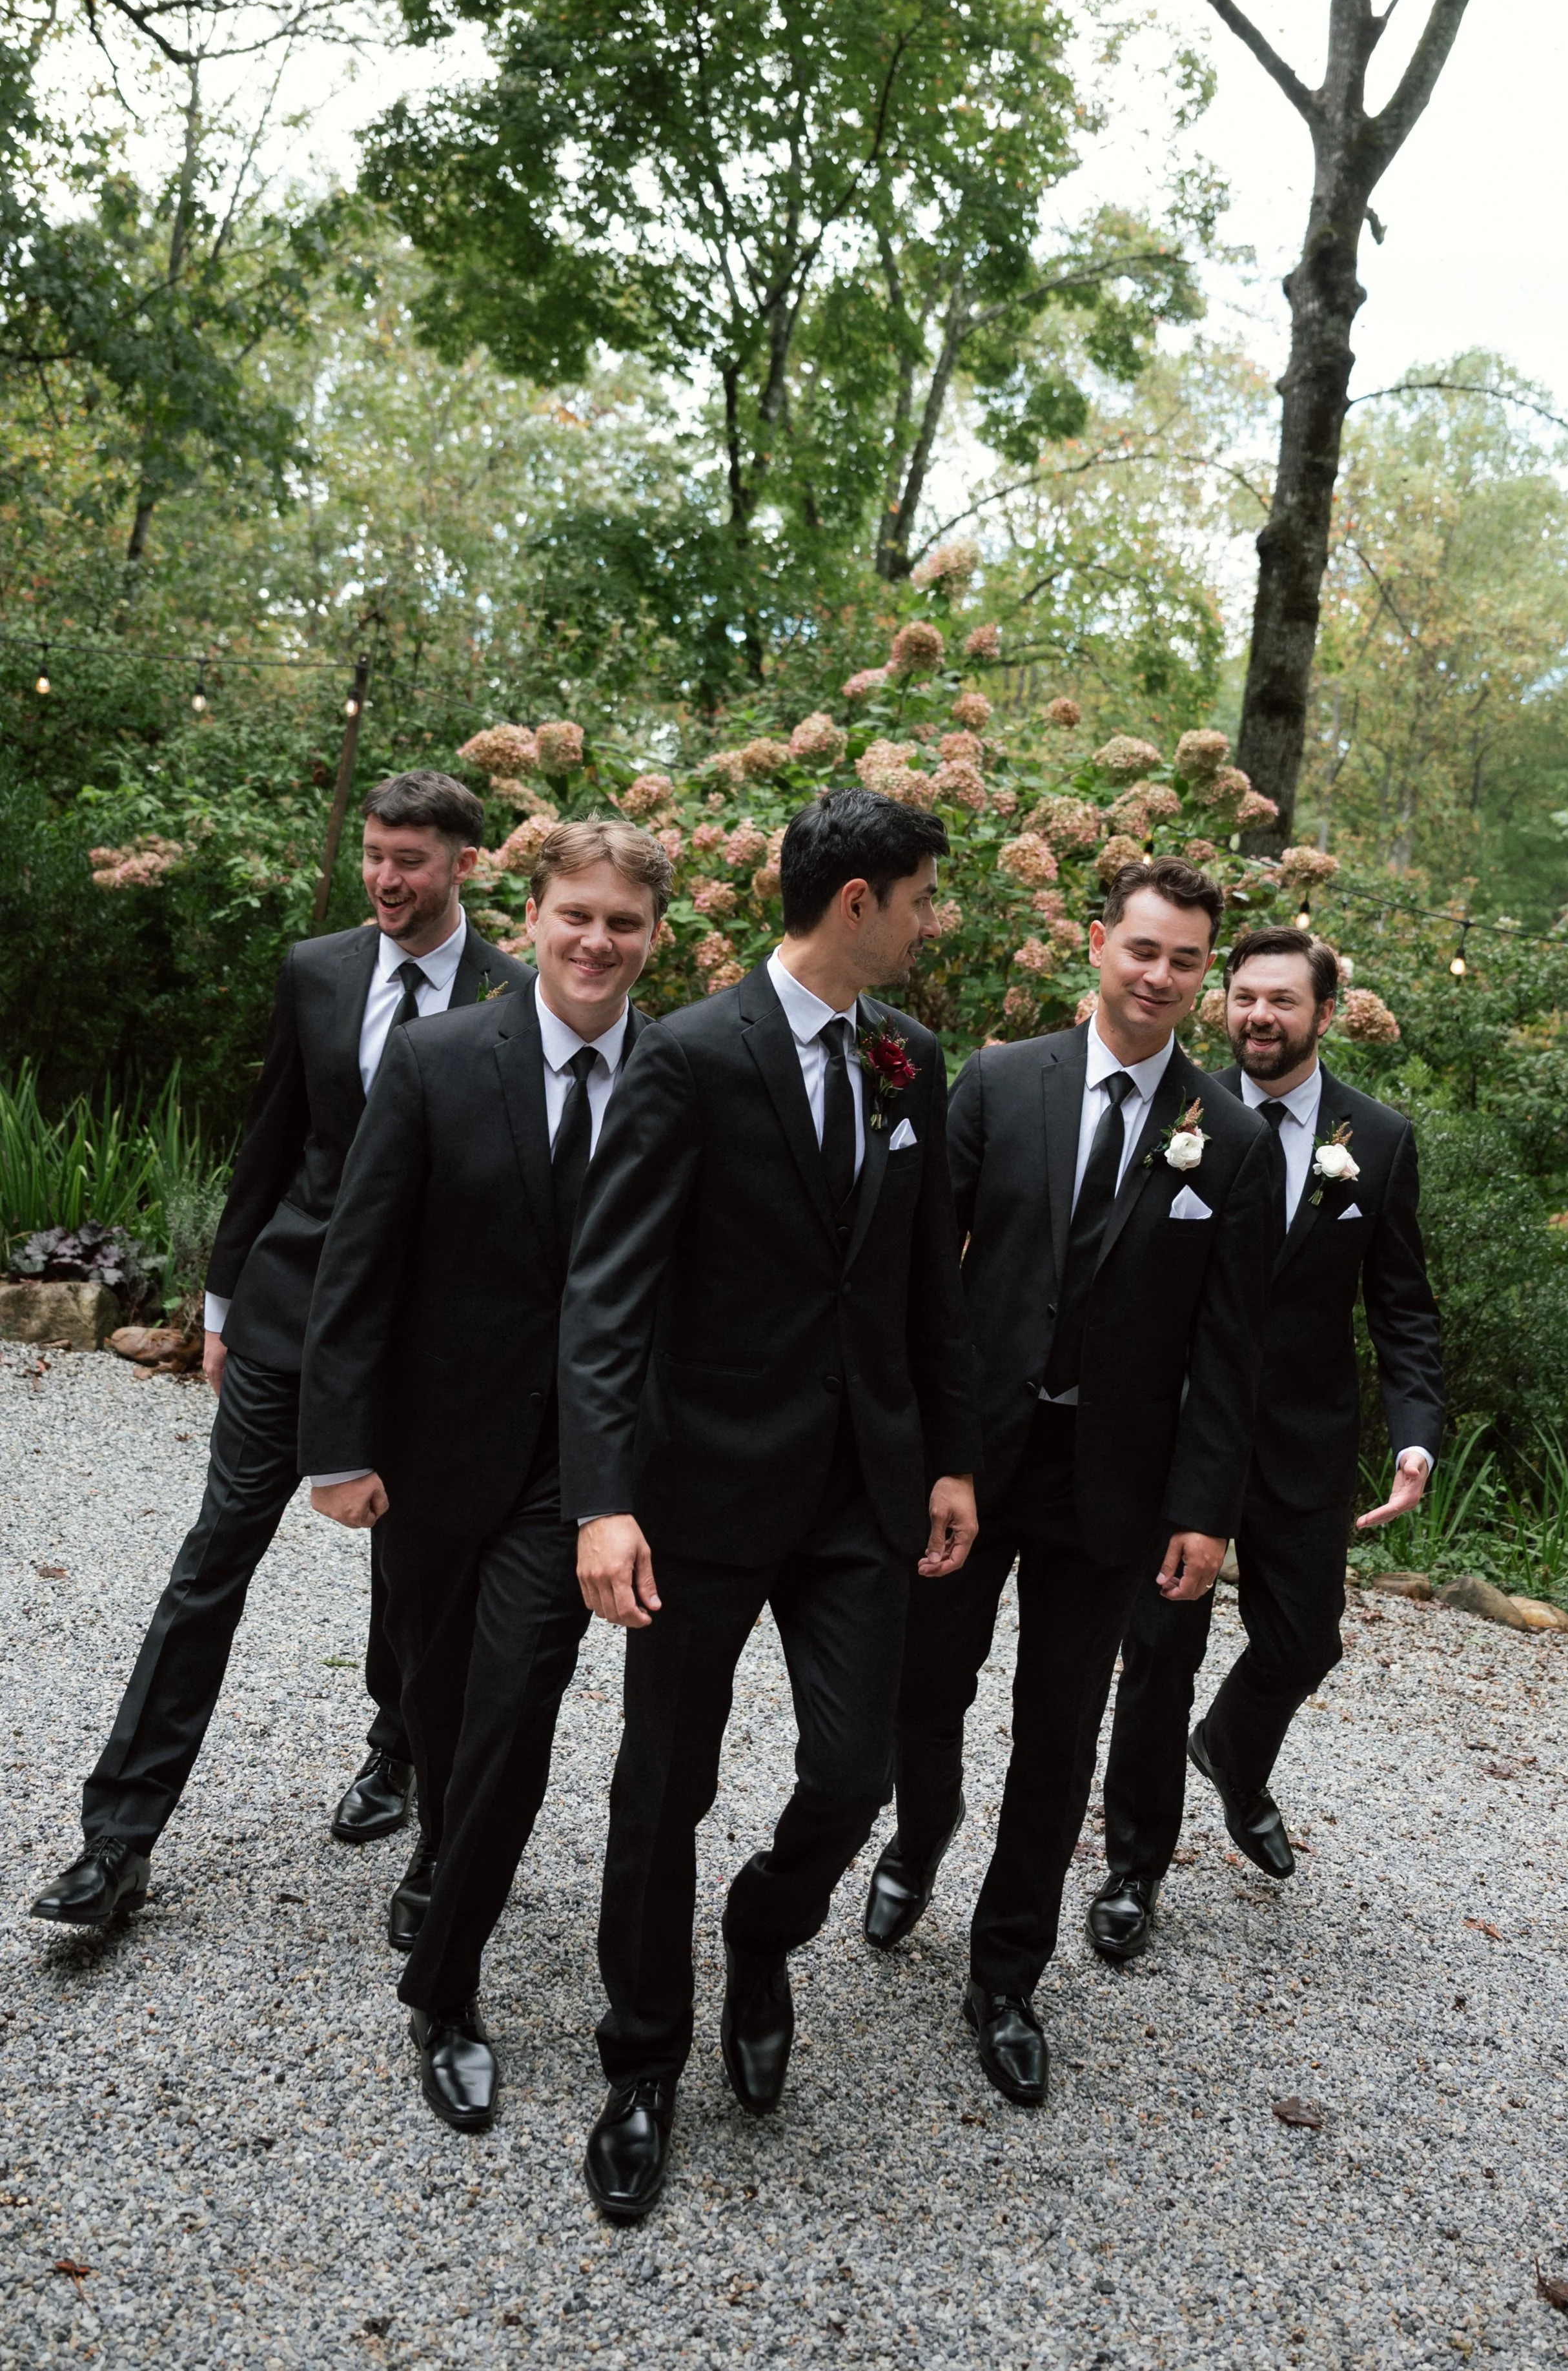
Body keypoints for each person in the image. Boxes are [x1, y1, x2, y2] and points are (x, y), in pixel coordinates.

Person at [559, 785, 979, 2222]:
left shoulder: (909, 1058)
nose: (936, 921)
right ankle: (638, 2062)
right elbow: (607, 1299)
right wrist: (602, 1499)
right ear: (855, 902)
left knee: (854, 1772)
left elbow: (928, 1284)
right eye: (923, 897)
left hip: (859, 1496)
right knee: (659, 1784)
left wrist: (950, 1460)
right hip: (700, 1492)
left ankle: (761, 1929)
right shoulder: (685, 1058)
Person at [30, 771, 524, 1931]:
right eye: (375, 854)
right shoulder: (317, 971)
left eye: (411, 858)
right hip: (291, 1314)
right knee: (212, 1565)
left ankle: (396, 1755)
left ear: (464, 862)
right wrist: (219, 1303)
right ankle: (116, 1844)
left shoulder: (518, 991)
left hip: (430, 1343)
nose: (387, 878)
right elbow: (271, 1140)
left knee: (414, 1579)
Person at [862, 857, 1274, 2106]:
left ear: (1203, 976)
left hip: (1116, 1484)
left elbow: (1232, 1346)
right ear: (1098, 945)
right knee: (925, 1690)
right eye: (1142, 949)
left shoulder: (1235, 1139)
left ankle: (1006, 1975)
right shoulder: (999, 1081)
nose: (1159, 976)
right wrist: (933, 1448)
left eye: (1186, 961)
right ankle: (918, 1836)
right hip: (975, 1464)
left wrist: (1205, 1510)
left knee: (1059, 1728)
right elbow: (933, 1280)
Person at [298, 819, 668, 2133]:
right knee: (439, 1699)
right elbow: (359, 1262)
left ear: (652, 940)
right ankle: (445, 1852)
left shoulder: (678, 1082)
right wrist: (336, 1444)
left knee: (513, 1708)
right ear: (535, 914)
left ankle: (441, 1988)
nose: (595, 942)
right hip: (433, 1449)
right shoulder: (442, 1057)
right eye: (576, 914)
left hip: (578, 1471)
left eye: (623, 924)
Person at [1091, 926, 1443, 1957]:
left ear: (1324, 1015)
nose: (1259, 1017)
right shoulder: (1172, 1111)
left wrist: (1416, 1434)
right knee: (1158, 1653)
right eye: (1245, 997)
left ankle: (1234, 1753)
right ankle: (1132, 1870)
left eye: (1283, 1002)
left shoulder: (1375, 1139)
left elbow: (1405, 1306)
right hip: (1177, 1437)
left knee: (1306, 1638)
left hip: (1303, 1439)